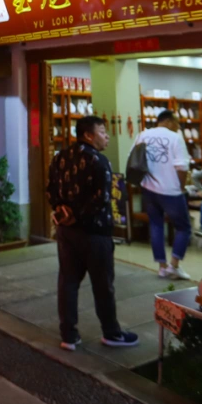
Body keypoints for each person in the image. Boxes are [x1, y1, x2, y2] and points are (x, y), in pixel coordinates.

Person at [48, 115, 139, 352]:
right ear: (88, 135)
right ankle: (111, 333)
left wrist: (63, 212)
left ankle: (68, 335)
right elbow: (102, 198)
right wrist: (78, 215)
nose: (107, 136)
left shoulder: (60, 157)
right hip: (95, 233)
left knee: (68, 282)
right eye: (102, 132)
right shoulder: (99, 160)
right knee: (102, 284)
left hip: (66, 231)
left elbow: (51, 190)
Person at [133, 110, 191, 279]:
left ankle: (162, 267)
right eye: (177, 123)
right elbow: (182, 167)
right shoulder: (175, 138)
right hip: (170, 190)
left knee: (156, 225)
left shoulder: (142, 135)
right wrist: (181, 187)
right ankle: (174, 265)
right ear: (168, 121)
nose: (178, 127)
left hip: (148, 189)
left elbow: (133, 160)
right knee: (183, 227)